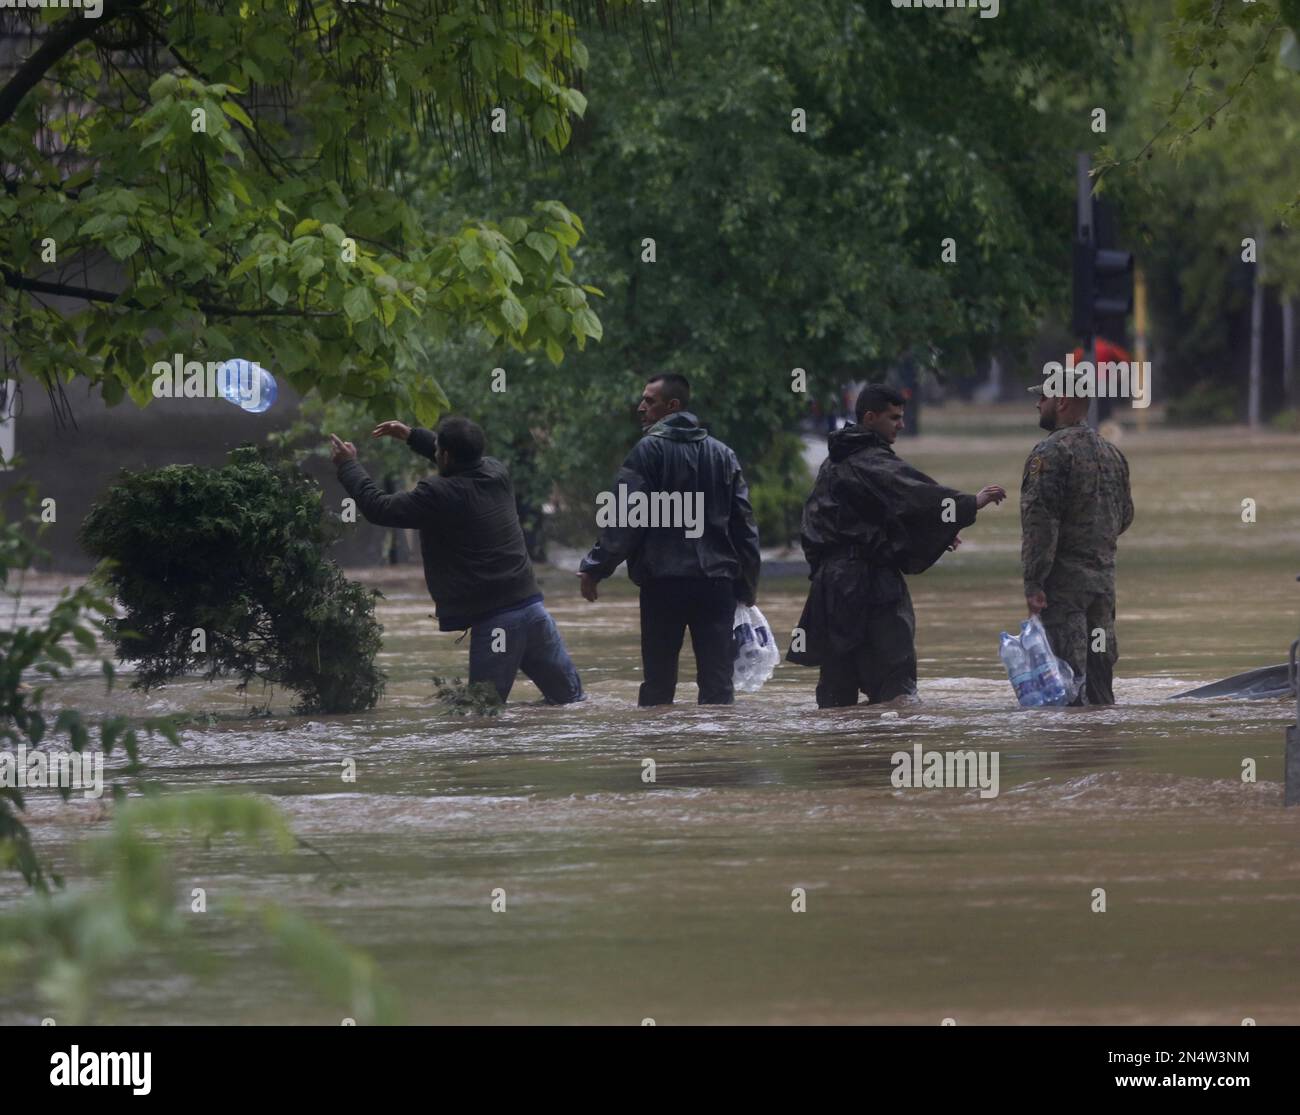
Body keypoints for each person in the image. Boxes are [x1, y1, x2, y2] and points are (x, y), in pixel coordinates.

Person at [329, 416, 583, 705]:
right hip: (534, 611)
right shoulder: (497, 472)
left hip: (496, 623)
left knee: (481, 721)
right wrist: (412, 436)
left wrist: (348, 465)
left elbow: (380, 508)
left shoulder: (437, 493)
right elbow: (461, 458)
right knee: (570, 702)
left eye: (438, 450)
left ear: (445, 456)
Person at [787, 383, 1006, 707]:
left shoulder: (834, 462)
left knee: (837, 693)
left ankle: (835, 756)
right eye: (894, 418)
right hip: (871, 587)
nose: (902, 425)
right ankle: (895, 749)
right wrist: (970, 503)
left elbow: (873, 516)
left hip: (832, 591)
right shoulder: (869, 460)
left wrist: (938, 533)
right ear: (871, 417)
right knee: (898, 687)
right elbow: (915, 494)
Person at [577, 374, 761, 706]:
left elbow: (625, 519)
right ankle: (720, 754)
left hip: (664, 584)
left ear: (672, 406)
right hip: (716, 584)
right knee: (718, 686)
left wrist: (595, 568)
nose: (640, 407)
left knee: (658, 685)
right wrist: (747, 586)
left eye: (649, 401)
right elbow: (744, 527)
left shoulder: (647, 451)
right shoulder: (723, 454)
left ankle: (659, 749)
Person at [1022, 372, 1134, 705]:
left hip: (1064, 591)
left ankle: (1073, 755)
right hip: (1102, 591)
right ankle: (1100, 751)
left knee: (1067, 688)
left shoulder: (1049, 454)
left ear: (1062, 401)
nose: (1037, 403)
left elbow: (1039, 524)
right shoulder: (1112, 454)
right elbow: (1124, 517)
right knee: (1100, 688)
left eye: (1043, 397)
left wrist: (1033, 583)